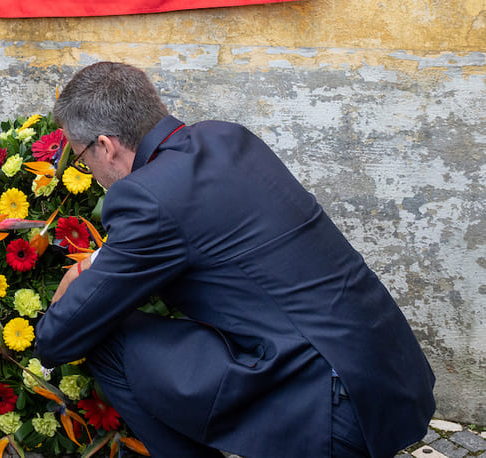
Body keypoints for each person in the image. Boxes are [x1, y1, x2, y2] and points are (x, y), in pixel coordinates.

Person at [34, 62, 435, 458]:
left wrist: (54, 326)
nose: (86, 168)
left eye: (80, 155)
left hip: (330, 410)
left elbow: (69, 331)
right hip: (392, 377)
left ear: (105, 146)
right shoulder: (228, 137)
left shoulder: (145, 196)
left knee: (105, 335)